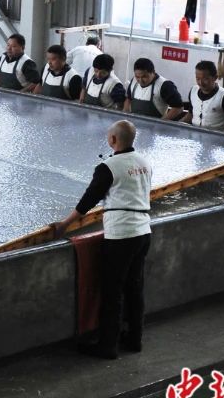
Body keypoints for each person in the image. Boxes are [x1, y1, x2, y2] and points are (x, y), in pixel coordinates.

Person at [52, 120, 151, 360]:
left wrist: (64, 224)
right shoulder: (144, 162)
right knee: (135, 286)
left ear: (113, 140)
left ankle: (108, 345)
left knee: (112, 290)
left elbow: (88, 200)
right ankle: (134, 338)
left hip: (121, 233)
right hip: (143, 230)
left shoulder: (109, 166)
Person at [181, 60, 224, 132]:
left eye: (205, 79)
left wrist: (222, 135)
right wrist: (178, 125)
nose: (201, 83)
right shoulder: (193, 91)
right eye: (198, 79)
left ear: (215, 77)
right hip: (194, 135)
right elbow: (191, 113)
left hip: (215, 137)